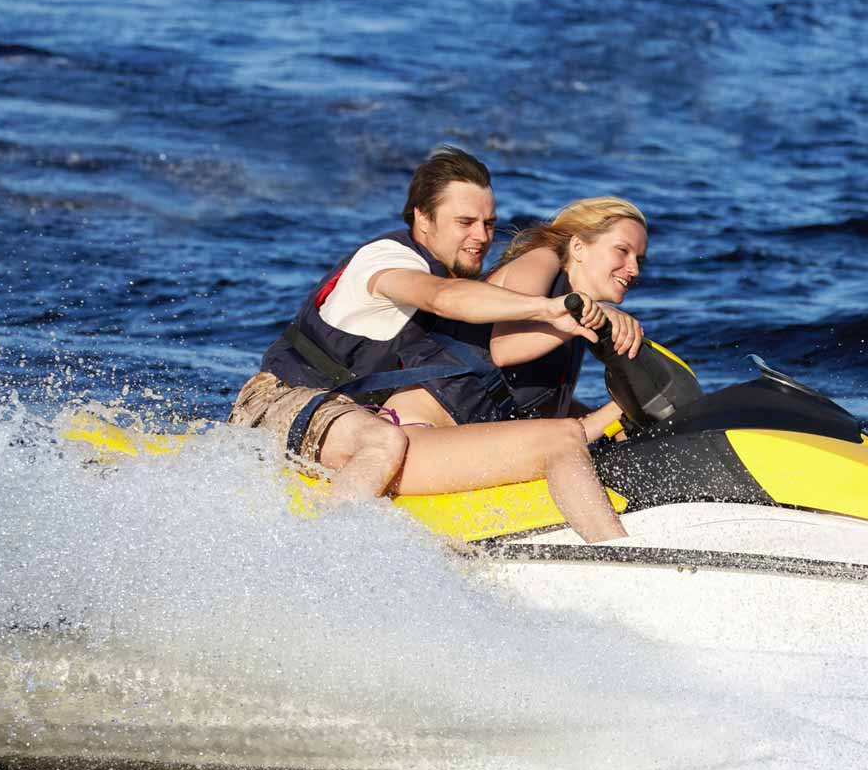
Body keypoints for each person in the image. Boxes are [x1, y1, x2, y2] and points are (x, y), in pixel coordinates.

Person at [228, 146, 628, 542]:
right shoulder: (388, 258)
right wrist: (549, 310)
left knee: (389, 436)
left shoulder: (458, 281)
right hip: (278, 402)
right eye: (465, 222)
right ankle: (320, 553)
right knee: (383, 440)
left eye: (489, 223)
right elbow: (439, 297)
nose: (481, 237)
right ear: (422, 217)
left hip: (352, 419)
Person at [476, 197, 648, 439]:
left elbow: (546, 405)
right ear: (578, 247)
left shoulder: (577, 310)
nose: (634, 270)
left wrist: (618, 430)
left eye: (639, 260)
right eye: (622, 250)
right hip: (451, 431)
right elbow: (504, 349)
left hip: (498, 433)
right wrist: (624, 407)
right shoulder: (542, 260)